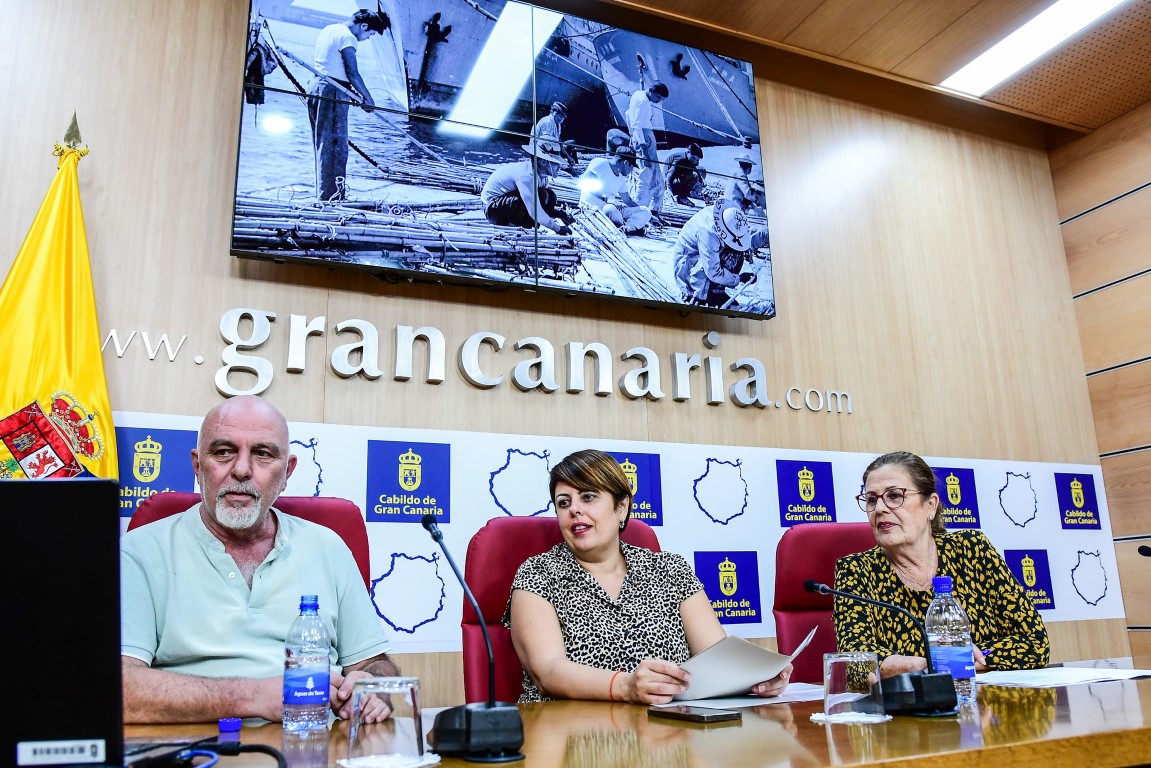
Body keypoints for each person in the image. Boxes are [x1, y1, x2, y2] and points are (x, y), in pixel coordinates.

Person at [120, 396, 400, 724]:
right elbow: (119, 691)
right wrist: (253, 696)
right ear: (197, 466)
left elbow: (373, 664)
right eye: (223, 452)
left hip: (316, 747)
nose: (241, 470)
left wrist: (372, 687)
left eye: (263, 454)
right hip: (201, 752)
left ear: (287, 471)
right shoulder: (139, 551)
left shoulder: (328, 547)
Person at [504, 449, 792, 703]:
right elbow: (549, 671)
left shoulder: (671, 570)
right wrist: (627, 687)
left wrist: (757, 679)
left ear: (622, 507)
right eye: (563, 503)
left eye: (588, 497)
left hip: (670, 737)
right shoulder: (538, 574)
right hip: (569, 738)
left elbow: (716, 660)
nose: (574, 509)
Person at [833, 451, 1050, 679]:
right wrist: (936, 664)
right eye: (871, 499)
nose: (880, 509)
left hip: (989, 707)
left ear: (930, 505)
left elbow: (1034, 642)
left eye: (894, 496)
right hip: (911, 708)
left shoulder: (972, 549)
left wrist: (970, 660)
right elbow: (855, 663)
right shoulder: (856, 571)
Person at [307, 9, 390, 202]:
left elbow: (332, 67)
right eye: (370, 34)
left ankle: (324, 193)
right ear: (364, 26)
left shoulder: (330, 29)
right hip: (332, 93)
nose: (368, 38)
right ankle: (332, 197)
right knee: (336, 146)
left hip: (317, 86)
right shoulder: (348, 37)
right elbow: (352, 73)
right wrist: (368, 99)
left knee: (322, 144)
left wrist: (350, 92)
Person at [673, 201, 768, 307]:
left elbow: (745, 234)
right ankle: (699, 293)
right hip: (688, 261)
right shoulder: (709, 234)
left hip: (706, 251)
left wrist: (746, 248)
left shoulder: (730, 217)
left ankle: (716, 290)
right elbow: (712, 271)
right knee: (728, 257)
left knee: (736, 253)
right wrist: (738, 278)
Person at [481, 139, 573, 235]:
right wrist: (558, 229)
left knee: (549, 195)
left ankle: (527, 225)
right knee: (538, 197)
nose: (559, 167)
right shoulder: (527, 176)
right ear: (543, 162)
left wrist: (561, 215)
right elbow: (535, 211)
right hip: (493, 208)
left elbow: (543, 206)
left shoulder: (542, 175)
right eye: (556, 163)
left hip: (505, 202)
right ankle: (517, 228)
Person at [578, 146, 651, 235]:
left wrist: (648, 215)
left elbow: (628, 201)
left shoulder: (621, 180)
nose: (631, 171)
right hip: (593, 208)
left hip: (611, 210)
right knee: (610, 209)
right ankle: (631, 228)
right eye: (631, 167)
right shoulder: (599, 163)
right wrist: (604, 197)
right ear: (626, 162)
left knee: (645, 210)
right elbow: (583, 182)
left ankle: (627, 228)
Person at [626, 81, 669, 215]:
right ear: (652, 91)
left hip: (642, 138)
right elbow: (637, 125)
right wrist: (644, 148)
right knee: (647, 175)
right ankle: (640, 209)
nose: (658, 101)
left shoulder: (637, 94)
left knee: (653, 175)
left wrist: (632, 137)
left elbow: (628, 115)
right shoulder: (644, 101)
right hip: (645, 139)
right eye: (658, 98)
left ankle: (652, 209)